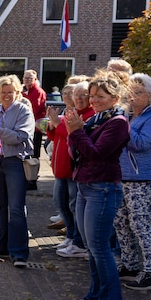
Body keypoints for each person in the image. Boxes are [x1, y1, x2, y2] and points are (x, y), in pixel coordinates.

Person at [64, 73, 130, 300]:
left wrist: (76, 131)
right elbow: (77, 152)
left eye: (100, 96)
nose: (94, 100)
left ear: (115, 98)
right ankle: (95, 295)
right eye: (92, 96)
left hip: (103, 188)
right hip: (85, 186)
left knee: (100, 247)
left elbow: (96, 154)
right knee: (91, 248)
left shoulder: (118, 122)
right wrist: (74, 132)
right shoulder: (95, 119)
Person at [114, 73, 151, 291]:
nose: (131, 96)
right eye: (130, 92)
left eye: (137, 92)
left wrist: (122, 126)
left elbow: (141, 144)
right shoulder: (130, 117)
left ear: (150, 95)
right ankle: (129, 266)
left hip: (144, 179)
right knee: (120, 222)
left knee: (140, 225)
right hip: (123, 177)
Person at [0, 75, 33, 267]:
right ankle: (1, 245)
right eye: (3, 92)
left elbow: (20, 136)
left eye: (10, 92)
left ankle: (19, 252)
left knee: (16, 208)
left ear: (17, 92)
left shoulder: (24, 110)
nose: (6, 95)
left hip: (16, 161)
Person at [47, 84, 87, 258]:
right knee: (61, 202)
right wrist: (51, 125)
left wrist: (57, 124)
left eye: (77, 94)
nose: (72, 97)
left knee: (73, 205)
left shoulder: (85, 114)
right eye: (66, 93)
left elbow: (72, 135)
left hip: (71, 168)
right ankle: (71, 235)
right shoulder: (69, 112)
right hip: (60, 167)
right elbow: (55, 135)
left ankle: (77, 240)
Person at [22, 70, 47, 190]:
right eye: (25, 78)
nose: (27, 80)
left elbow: (34, 109)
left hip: (35, 128)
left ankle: (32, 181)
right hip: (25, 127)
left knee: (34, 155)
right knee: (26, 154)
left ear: (35, 79)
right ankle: (26, 178)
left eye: (30, 78)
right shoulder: (22, 91)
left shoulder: (38, 92)